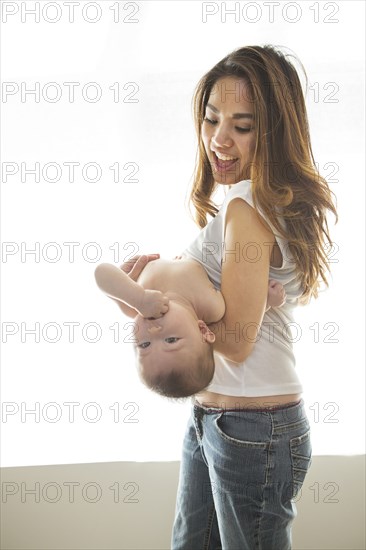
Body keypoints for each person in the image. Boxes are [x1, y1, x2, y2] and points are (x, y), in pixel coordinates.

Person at [167, 44, 338, 549]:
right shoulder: (261, 202)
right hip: (223, 418)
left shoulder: (247, 206)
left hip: (251, 426)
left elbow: (237, 340)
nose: (219, 139)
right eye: (211, 118)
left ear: (275, 133)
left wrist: (171, 311)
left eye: (242, 126)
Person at [94, 256, 286, 398]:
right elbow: (244, 307)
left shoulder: (133, 305)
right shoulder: (211, 306)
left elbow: (101, 272)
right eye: (171, 340)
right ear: (203, 330)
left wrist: (136, 296)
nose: (153, 331)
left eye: (144, 345)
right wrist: (267, 301)